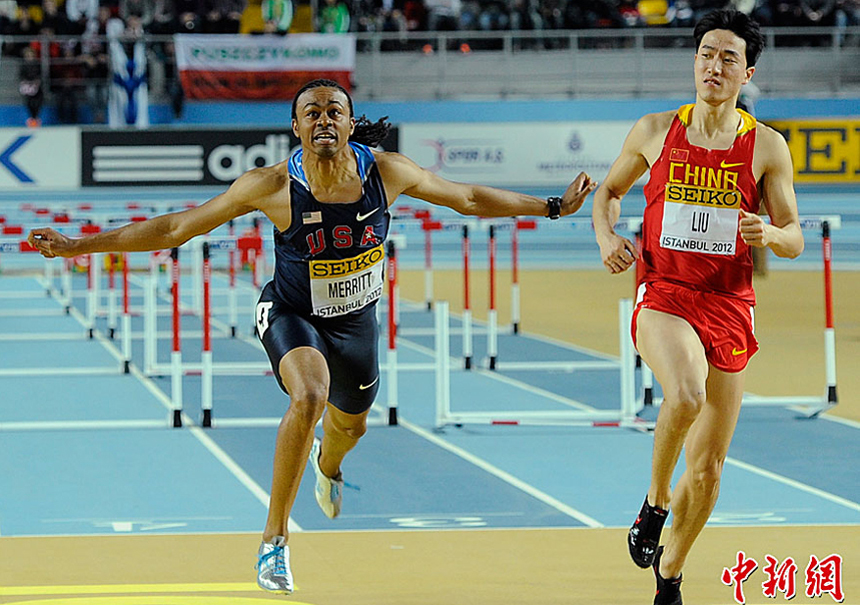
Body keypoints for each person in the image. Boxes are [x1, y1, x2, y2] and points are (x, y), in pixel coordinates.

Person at [29, 78, 596, 596]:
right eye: (311, 113)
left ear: (350, 124)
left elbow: (468, 198)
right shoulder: (270, 186)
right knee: (309, 396)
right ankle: (274, 540)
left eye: (334, 111)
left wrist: (551, 206)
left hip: (357, 326)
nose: (323, 119)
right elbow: (177, 228)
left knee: (351, 425)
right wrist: (80, 246)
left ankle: (330, 464)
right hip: (291, 313)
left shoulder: (388, 173)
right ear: (296, 128)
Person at [591, 10, 803, 605]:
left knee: (708, 475)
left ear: (747, 73)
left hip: (729, 305)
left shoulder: (766, 147)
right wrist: (608, 238)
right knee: (684, 391)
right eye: (707, 53)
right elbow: (608, 194)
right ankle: (654, 505)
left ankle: (671, 576)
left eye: (728, 57)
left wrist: (769, 233)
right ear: (694, 62)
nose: (715, 65)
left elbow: (794, 237)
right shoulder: (656, 130)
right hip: (663, 295)